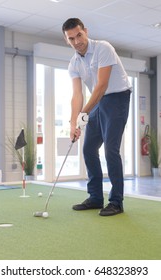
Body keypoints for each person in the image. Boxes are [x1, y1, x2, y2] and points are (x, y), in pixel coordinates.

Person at [62, 18, 132, 216]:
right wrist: (73, 123)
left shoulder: (103, 48)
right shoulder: (74, 63)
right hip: (97, 101)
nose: (77, 41)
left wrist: (84, 113)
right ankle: (95, 198)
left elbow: (101, 86)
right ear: (66, 40)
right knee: (89, 148)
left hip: (117, 98)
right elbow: (77, 95)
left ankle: (116, 201)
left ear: (85, 31)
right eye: (71, 38)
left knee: (111, 149)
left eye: (79, 35)